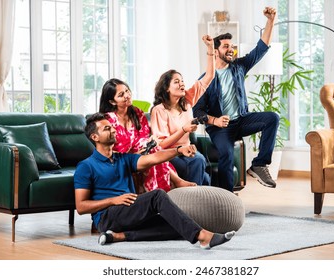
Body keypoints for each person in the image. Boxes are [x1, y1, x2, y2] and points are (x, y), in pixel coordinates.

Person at [74, 113, 236, 248]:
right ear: (95, 137)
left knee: (177, 225)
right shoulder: (86, 166)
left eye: (112, 126)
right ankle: (203, 237)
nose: (113, 130)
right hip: (107, 217)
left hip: (129, 211)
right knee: (157, 196)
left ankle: (120, 236)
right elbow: (81, 207)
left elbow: (153, 158)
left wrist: (178, 150)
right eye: (107, 128)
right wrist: (114, 200)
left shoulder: (123, 159)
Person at [193, 7, 279, 191]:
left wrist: (270, 21)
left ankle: (259, 164)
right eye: (226, 46)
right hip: (220, 128)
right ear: (215, 51)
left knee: (272, 118)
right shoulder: (206, 79)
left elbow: (261, 48)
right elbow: (197, 111)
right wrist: (215, 120)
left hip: (241, 120)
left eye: (232, 46)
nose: (231, 49)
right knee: (226, 153)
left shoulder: (239, 67)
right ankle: (227, 197)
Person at [99, 78, 195, 193]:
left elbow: (144, 137)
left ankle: (161, 193)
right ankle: (167, 188)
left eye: (127, 91)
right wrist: (134, 154)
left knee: (152, 147)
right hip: (121, 159)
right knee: (152, 152)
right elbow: (109, 149)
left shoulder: (137, 113)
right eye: (121, 95)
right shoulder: (108, 120)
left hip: (142, 155)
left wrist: (146, 146)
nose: (127, 95)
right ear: (112, 101)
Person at [150, 35, 215, 186]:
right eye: (177, 82)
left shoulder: (187, 101)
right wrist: (184, 130)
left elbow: (209, 76)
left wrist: (210, 49)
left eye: (183, 81)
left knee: (205, 177)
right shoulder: (159, 110)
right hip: (169, 154)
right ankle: (192, 204)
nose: (182, 84)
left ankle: (195, 202)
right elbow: (162, 145)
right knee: (199, 161)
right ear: (166, 88)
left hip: (187, 151)